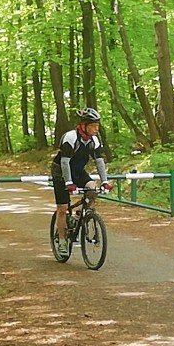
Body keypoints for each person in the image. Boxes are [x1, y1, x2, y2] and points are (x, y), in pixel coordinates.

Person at [50, 107, 112, 257]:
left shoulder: (94, 140)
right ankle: (63, 240)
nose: (96, 129)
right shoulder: (70, 138)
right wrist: (68, 183)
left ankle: (80, 214)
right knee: (63, 209)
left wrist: (104, 182)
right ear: (84, 125)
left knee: (92, 188)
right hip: (61, 173)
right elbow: (65, 163)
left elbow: (99, 161)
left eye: (98, 125)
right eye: (93, 126)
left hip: (78, 171)